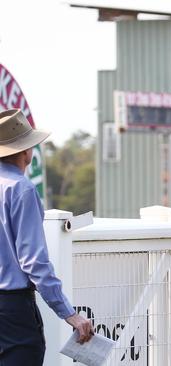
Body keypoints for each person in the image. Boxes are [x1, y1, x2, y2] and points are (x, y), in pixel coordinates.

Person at [0, 109, 94, 365]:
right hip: (12, 309)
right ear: (26, 151)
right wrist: (68, 313)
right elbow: (34, 262)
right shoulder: (21, 189)